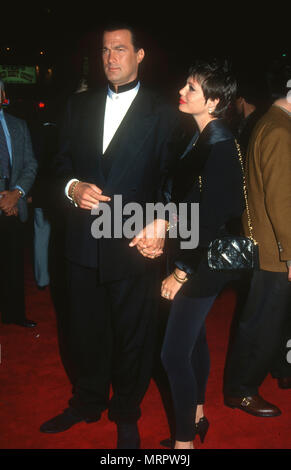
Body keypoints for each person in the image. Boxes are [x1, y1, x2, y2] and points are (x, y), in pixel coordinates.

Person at [39, 23, 183, 449]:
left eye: (120, 49)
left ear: (140, 56)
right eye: (104, 50)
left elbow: (176, 180)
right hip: (82, 242)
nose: (110, 58)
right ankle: (85, 403)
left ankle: (125, 411)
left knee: (132, 336)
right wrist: (71, 188)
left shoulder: (165, 112)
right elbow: (56, 169)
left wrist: (164, 223)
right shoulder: (76, 106)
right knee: (83, 331)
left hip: (133, 242)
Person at [160, 58, 245, 449]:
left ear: (212, 102)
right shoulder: (203, 136)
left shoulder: (221, 144)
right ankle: (196, 415)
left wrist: (180, 273)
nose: (183, 91)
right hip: (198, 256)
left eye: (192, 88)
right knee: (194, 342)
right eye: (187, 84)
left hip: (202, 262)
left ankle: (182, 446)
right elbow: (191, 202)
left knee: (173, 354)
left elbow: (211, 219)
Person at [223, 65, 291, 415]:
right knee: (261, 325)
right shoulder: (280, 130)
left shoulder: (272, 123)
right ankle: (241, 390)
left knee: (266, 322)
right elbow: (282, 201)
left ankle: (265, 375)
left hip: (266, 245)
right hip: (275, 252)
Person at [0, 79, 38, 327]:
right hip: (5, 202)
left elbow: (31, 164)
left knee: (13, 263)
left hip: (15, 206)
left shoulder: (18, 125)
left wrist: (17, 193)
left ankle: (14, 315)